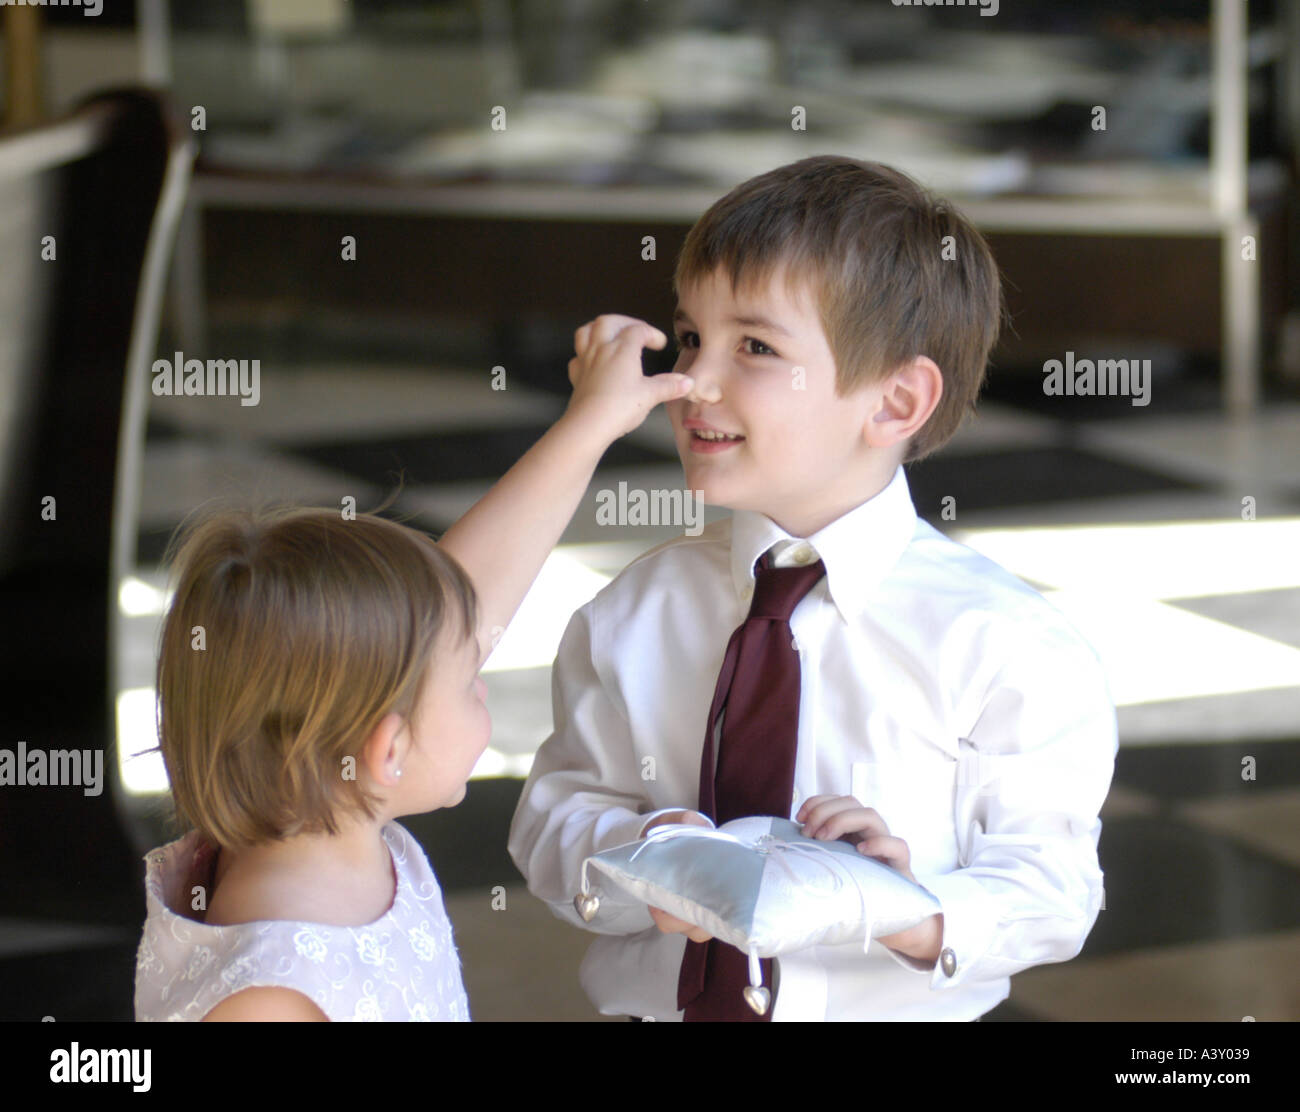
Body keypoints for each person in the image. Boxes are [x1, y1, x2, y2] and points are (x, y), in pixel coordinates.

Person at [508, 155, 1117, 1021]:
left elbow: (1052, 890)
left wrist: (896, 905)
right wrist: (641, 859)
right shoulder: (631, 614)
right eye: (689, 338)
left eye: (754, 346)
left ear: (896, 401)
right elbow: (556, 813)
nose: (694, 383)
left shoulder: (1004, 642)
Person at [133, 319, 693, 1021]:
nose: (482, 677)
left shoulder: (320, 825)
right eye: (469, 684)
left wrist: (590, 425)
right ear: (388, 749)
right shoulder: (270, 993)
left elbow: (445, 621)